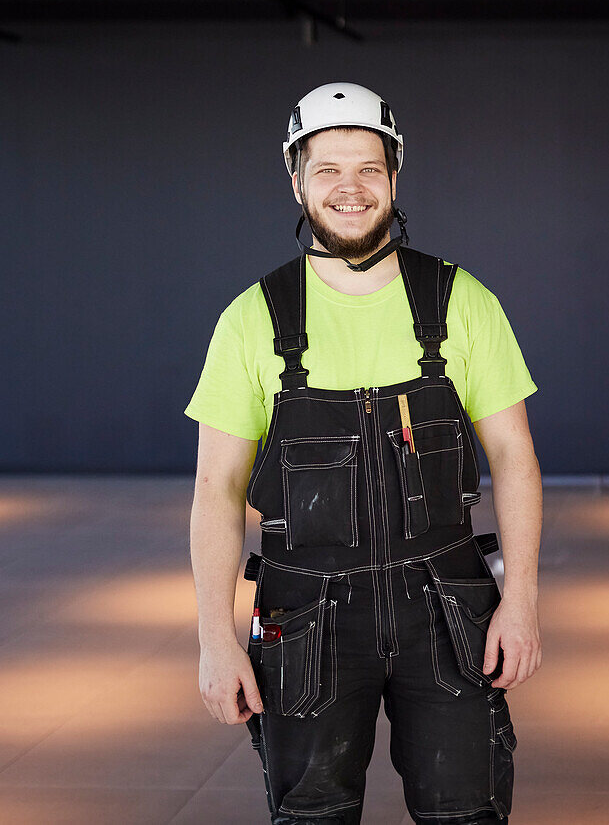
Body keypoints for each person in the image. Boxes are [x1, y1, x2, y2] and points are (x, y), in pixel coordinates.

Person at [185, 83, 543, 825]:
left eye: (368, 170)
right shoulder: (252, 319)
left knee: (466, 814)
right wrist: (215, 639)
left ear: (393, 176)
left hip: (445, 606)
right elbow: (217, 490)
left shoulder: (459, 301)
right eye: (327, 171)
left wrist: (523, 600)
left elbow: (512, 457)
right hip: (304, 618)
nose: (349, 189)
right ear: (296, 179)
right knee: (310, 816)